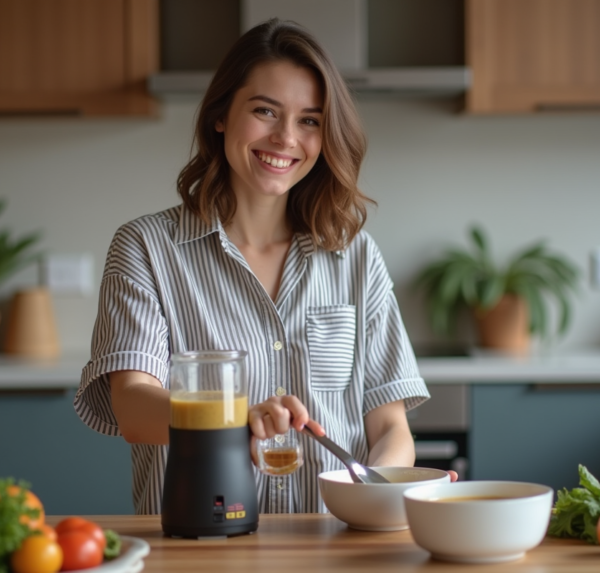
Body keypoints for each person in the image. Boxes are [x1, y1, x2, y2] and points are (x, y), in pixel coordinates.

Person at [74, 18, 457, 515]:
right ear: (220, 115)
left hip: (333, 548)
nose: (285, 138)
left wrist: (384, 487)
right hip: (198, 546)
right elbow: (132, 406)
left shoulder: (355, 256)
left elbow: (389, 429)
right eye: (264, 111)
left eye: (309, 120)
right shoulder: (146, 248)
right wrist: (236, 418)